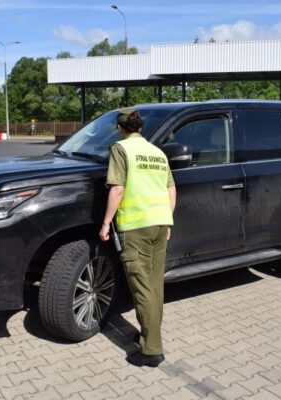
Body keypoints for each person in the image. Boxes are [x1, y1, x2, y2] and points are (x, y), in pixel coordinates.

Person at [99, 107, 176, 367]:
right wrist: (167, 220)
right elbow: (171, 190)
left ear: (119, 128)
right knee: (154, 286)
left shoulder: (121, 149)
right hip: (159, 224)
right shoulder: (157, 153)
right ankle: (148, 335)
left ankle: (151, 350)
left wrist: (106, 223)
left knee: (142, 288)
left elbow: (118, 189)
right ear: (140, 127)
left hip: (136, 227)